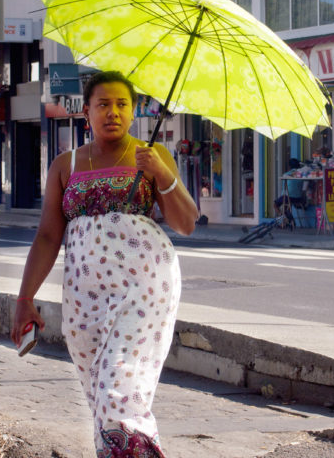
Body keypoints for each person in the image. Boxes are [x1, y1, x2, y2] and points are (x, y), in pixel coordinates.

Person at [11, 71, 198, 457]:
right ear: (87, 113)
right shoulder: (67, 165)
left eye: (122, 104)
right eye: (103, 104)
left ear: (134, 113)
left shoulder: (153, 156)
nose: (113, 112)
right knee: (100, 397)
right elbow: (48, 235)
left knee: (120, 392)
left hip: (145, 288)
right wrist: (25, 297)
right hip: (84, 298)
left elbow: (187, 222)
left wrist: (161, 174)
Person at [274, 158, 307, 223]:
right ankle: (288, 219)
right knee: (287, 203)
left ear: (289, 166)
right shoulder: (301, 174)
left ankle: (283, 219)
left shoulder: (286, 175)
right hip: (298, 198)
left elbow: (285, 189)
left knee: (275, 204)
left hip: (288, 197)